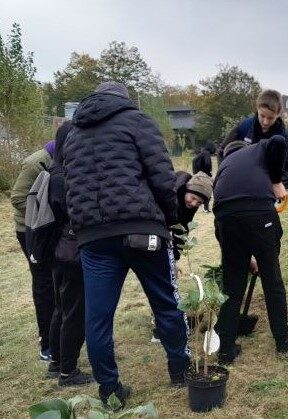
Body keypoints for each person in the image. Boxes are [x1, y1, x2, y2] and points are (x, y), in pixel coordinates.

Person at [62, 82, 189, 406]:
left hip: (93, 238)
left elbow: (68, 186)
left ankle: (109, 389)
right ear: (124, 100)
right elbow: (162, 175)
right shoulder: (137, 120)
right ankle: (180, 369)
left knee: (98, 317)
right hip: (141, 229)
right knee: (166, 302)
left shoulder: (73, 134)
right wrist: (169, 216)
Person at [212, 137, 288, 365]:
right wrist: (277, 181)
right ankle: (282, 341)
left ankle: (226, 350)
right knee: (272, 280)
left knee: (232, 284)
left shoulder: (223, 168)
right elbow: (279, 141)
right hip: (258, 212)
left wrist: (243, 257)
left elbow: (220, 224)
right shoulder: (256, 149)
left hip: (226, 220)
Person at [46, 121, 93, 386]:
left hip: (57, 250)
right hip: (71, 250)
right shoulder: (66, 177)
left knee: (61, 308)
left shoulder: (52, 173)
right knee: (74, 310)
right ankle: (68, 370)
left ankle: (56, 362)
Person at [150, 170, 213, 343]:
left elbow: (180, 231)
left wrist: (174, 260)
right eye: (192, 198)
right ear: (186, 190)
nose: (193, 203)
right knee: (161, 284)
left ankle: (163, 322)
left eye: (199, 202)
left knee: (167, 281)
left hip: (167, 242)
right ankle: (159, 329)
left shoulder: (187, 207)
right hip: (153, 239)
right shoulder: (169, 197)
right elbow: (164, 227)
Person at [10, 140, 55, 361]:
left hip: (49, 228)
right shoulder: (36, 162)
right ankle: (46, 343)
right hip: (30, 230)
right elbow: (18, 197)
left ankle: (57, 336)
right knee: (44, 282)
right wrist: (45, 209)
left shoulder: (60, 158)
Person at [191, 147, 213, 211]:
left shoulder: (196, 158)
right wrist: (209, 173)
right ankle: (205, 208)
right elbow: (207, 163)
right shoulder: (206, 153)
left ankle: (203, 207)